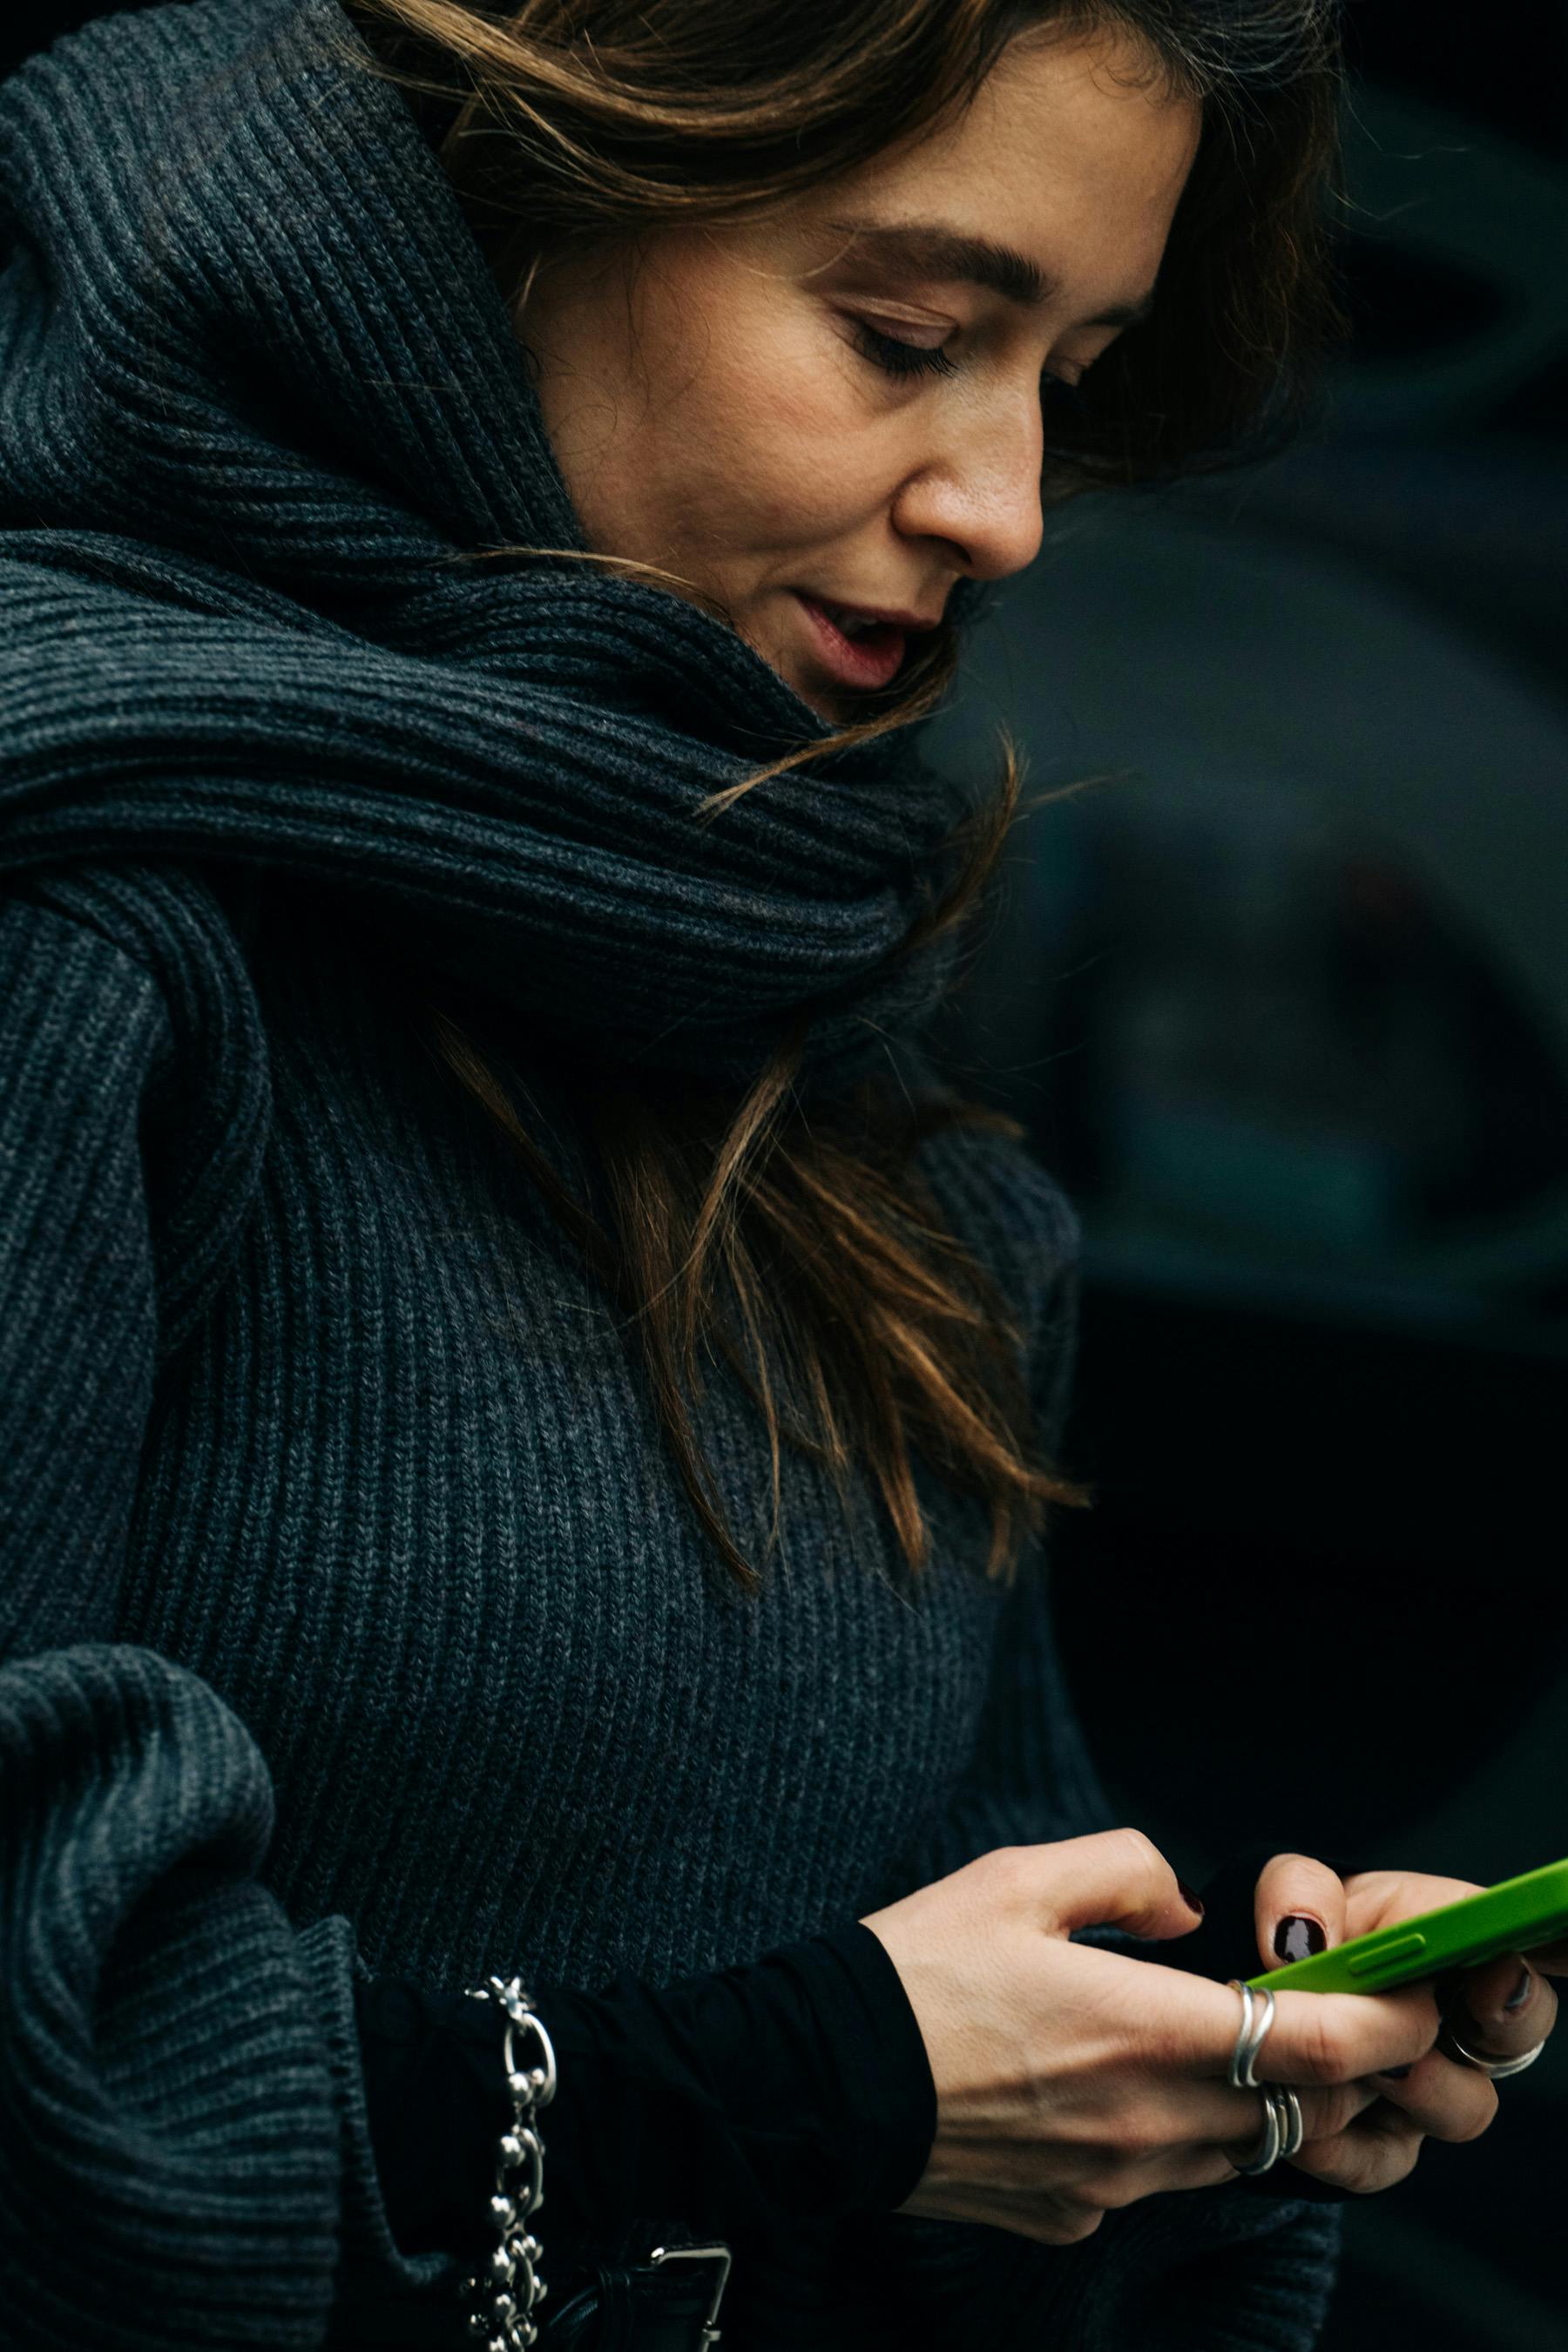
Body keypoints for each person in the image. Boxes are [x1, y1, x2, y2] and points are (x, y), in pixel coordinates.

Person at [0, 0, 1558, 2347]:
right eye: (908, 333)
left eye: (1070, 369)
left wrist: (1178, 2090)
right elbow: (57, 2118)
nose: (1006, 502)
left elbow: (874, 2137)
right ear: (493, 223)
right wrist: (831, 2078)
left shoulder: (837, 1057)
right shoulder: (85, 923)